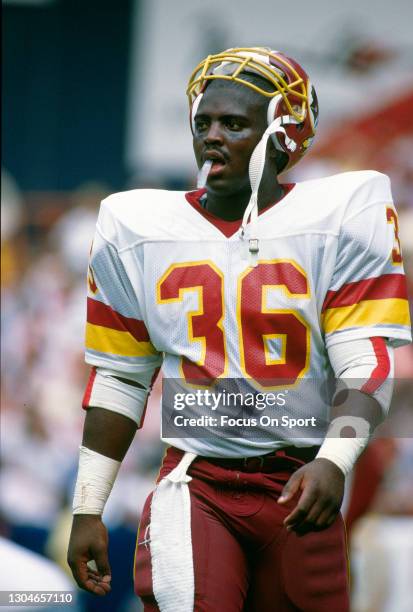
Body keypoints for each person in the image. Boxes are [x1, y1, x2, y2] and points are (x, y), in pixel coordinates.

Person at [67, 47, 411, 611]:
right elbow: (121, 380)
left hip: (302, 480)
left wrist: (334, 458)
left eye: (233, 123)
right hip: (195, 481)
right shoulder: (137, 228)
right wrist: (87, 506)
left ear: (282, 134)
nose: (212, 137)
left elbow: (367, 361)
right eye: (203, 123)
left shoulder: (343, 214)